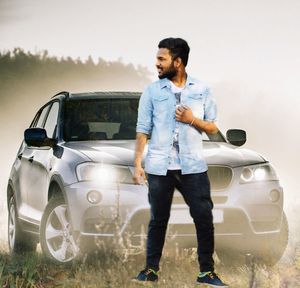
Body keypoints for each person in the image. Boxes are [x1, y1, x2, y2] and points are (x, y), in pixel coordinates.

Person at [132, 37, 228, 287]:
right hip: (159, 167)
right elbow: (143, 129)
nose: (157, 64)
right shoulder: (152, 91)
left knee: (204, 218)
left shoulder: (202, 89)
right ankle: (150, 270)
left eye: (161, 59)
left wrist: (191, 119)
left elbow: (213, 128)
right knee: (158, 220)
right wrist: (138, 164)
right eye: (157, 59)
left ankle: (206, 273)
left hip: (193, 167)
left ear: (178, 61)